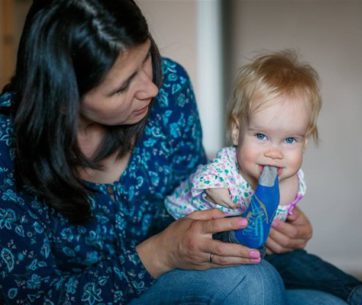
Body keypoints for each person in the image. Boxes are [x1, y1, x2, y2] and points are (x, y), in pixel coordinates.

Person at [0, 0, 322, 304]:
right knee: (254, 284)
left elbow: (198, 193)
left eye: (146, 59)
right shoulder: (8, 147)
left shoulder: (170, 88)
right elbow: (27, 296)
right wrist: (158, 255)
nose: (151, 89)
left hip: (178, 278)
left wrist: (273, 219)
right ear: (62, 96)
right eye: (122, 87)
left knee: (325, 300)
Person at [165, 51, 362, 305]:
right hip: (195, 236)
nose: (274, 153)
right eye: (261, 136)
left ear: (304, 142)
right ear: (237, 130)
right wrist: (218, 192)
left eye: (290, 140)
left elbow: (279, 212)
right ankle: (244, 235)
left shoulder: (291, 180)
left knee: (304, 263)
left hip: (259, 250)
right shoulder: (228, 161)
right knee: (227, 231)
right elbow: (204, 181)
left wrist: (272, 187)